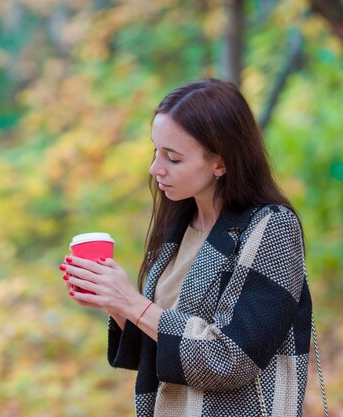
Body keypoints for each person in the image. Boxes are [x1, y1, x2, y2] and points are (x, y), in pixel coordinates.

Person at [59, 79, 312, 417]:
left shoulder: (271, 228)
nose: (155, 169)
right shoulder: (180, 223)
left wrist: (132, 303)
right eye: (155, 151)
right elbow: (159, 351)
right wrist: (112, 302)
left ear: (220, 163)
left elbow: (230, 359)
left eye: (173, 159)